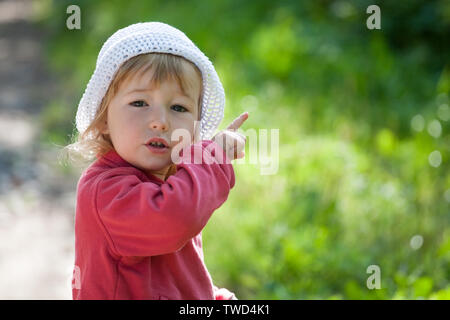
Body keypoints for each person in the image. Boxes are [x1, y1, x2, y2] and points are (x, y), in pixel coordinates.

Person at [66, 22, 248, 300]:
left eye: (178, 108)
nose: (160, 122)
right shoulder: (103, 191)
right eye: (140, 103)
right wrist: (212, 158)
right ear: (103, 119)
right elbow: (175, 218)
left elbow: (174, 274)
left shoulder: (174, 182)